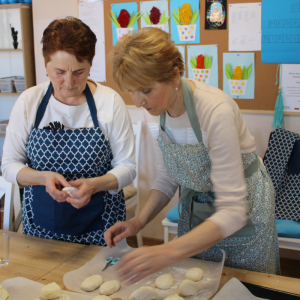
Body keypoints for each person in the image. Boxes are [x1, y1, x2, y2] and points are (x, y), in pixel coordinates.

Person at [104, 27, 280, 283]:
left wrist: (167, 251)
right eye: (131, 91)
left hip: (244, 211)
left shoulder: (215, 111)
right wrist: (138, 222)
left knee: (245, 286)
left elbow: (232, 211)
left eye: (145, 90)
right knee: (200, 283)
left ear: (175, 76)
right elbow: (167, 176)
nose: (138, 101)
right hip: (198, 209)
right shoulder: (154, 111)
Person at [1, 17, 136, 245]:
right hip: (40, 228)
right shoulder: (29, 102)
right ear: (46, 65)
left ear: (91, 64)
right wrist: (43, 177)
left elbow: (128, 168)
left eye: (79, 72)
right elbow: (9, 166)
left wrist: (94, 185)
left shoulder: (109, 102)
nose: (69, 82)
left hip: (101, 227)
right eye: (59, 72)